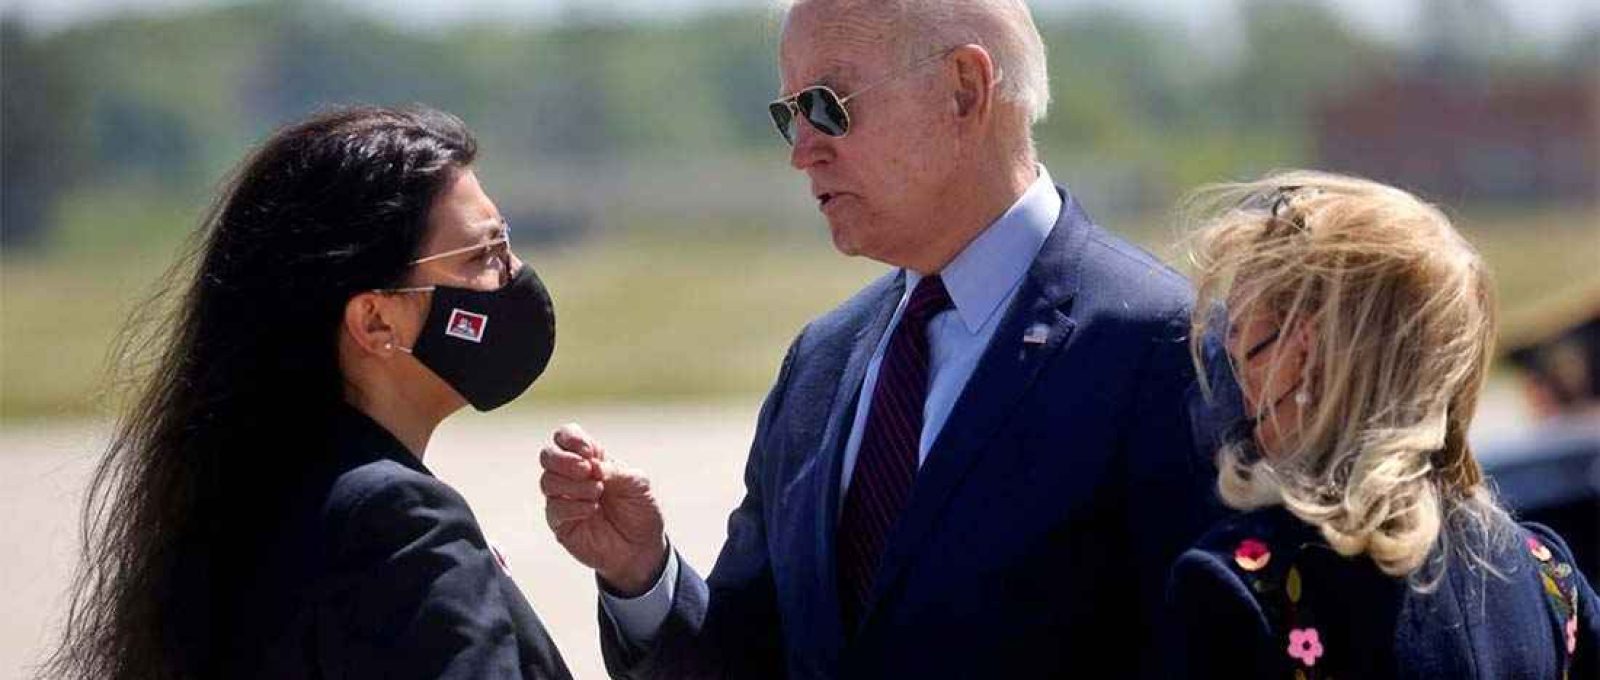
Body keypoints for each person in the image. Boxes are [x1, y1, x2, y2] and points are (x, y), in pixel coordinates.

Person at [536, 1, 1226, 676]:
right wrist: (645, 577)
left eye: (829, 103)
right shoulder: (822, 360)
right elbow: (758, 650)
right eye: (790, 116)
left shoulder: (1163, 346)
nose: (803, 151)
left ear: (964, 90)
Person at [46, 106, 572, 679]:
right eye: (482, 255)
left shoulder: (243, 491)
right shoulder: (398, 520)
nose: (512, 273)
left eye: (506, 245)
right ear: (375, 321)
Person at [1167, 171, 1600, 679]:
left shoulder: (1246, 585)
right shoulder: (1547, 575)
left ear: (1304, 357)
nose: (1239, 377)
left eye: (1247, 345)